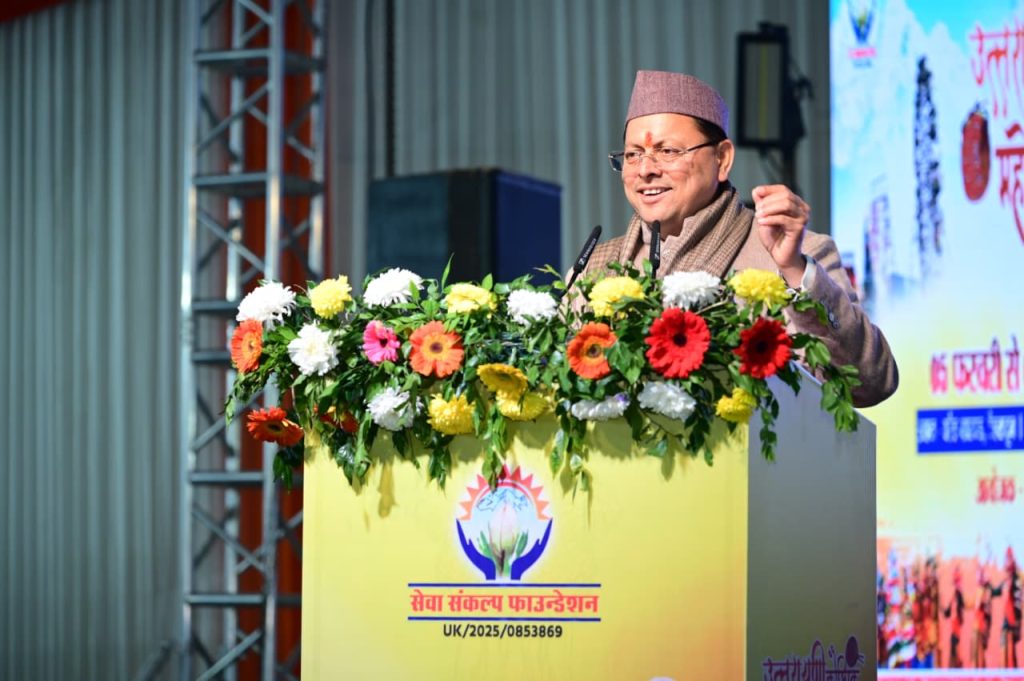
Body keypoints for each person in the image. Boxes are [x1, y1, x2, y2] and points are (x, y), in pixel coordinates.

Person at [583, 70, 898, 407]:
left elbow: (871, 383)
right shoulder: (596, 268)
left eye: (668, 151)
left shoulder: (793, 257)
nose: (645, 169)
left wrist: (794, 270)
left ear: (722, 159)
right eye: (633, 155)